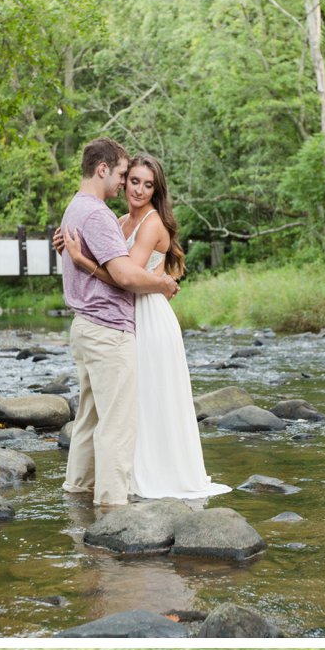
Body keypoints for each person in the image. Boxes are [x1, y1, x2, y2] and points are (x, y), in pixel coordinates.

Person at [60, 153, 228, 500]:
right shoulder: (118, 220)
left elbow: (126, 278)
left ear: (156, 190)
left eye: (147, 185)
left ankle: (152, 475)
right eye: (133, 180)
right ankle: (125, 478)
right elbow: (116, 266)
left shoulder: (151, 224)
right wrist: (70, 249)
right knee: (130, 403)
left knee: (148, 399)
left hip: (149, 313)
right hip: (127, 313)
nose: (137, 189)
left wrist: (82, 261)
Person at [59, 139, 180, 509]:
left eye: (141, 181)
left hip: (86, 326)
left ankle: (78, 495)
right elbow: (126, 275)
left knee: (90, 418)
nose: (126, 183)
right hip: (108, 329)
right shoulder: (98, 215)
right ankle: (112, 506)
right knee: (117, 424)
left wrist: (83, 260)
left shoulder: (76, 209)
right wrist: (160, 283)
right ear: (102, 170)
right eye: (124, 175)